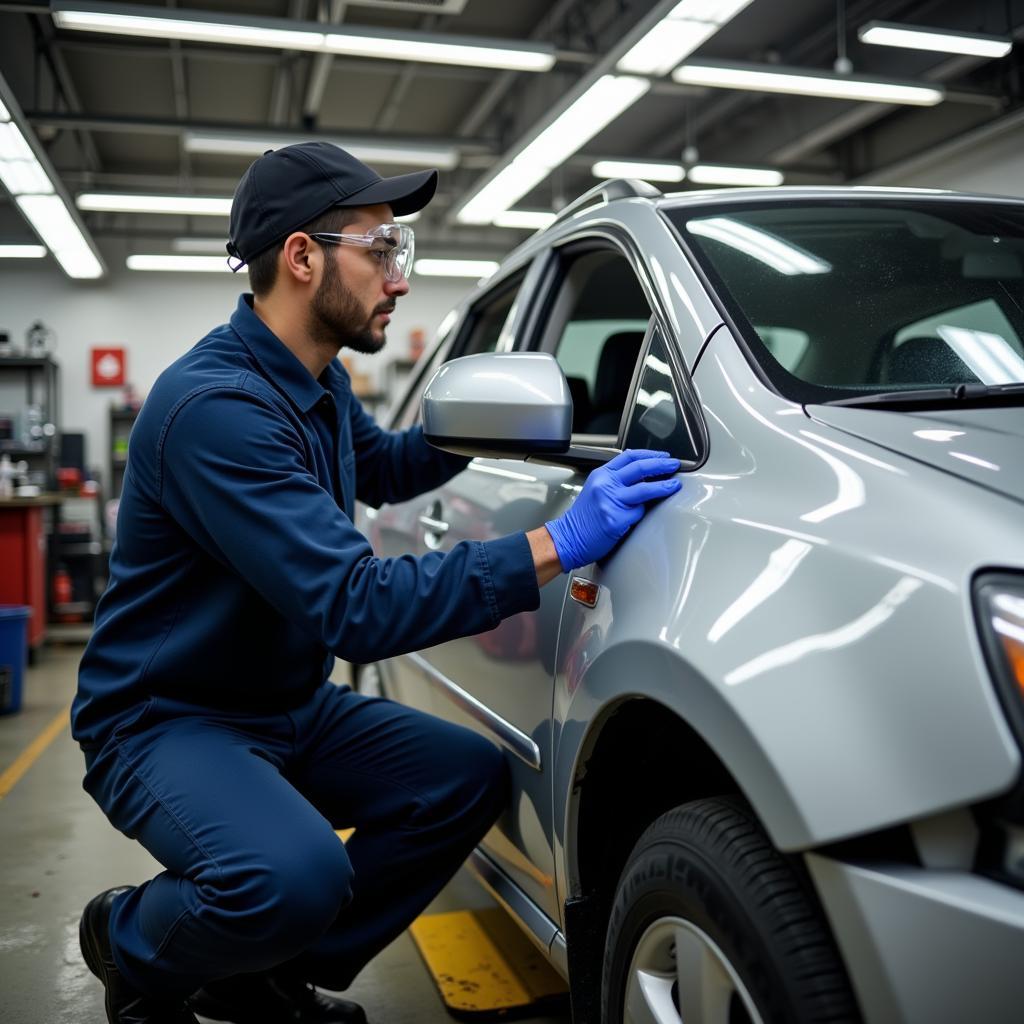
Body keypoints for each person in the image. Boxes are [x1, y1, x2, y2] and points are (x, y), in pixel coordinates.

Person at [73, 142, 682, 1024]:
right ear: (302, 256)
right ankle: (128, 938)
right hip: (166, 715)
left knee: (465, 777)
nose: (399, 279)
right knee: (292, 873)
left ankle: (258, 970)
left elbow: (387, 466)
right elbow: (354, 606)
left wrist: (493, 414)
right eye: (383, 248)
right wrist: (558, 541)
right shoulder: (219, 412)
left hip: (283, 704)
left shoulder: (314, 382)